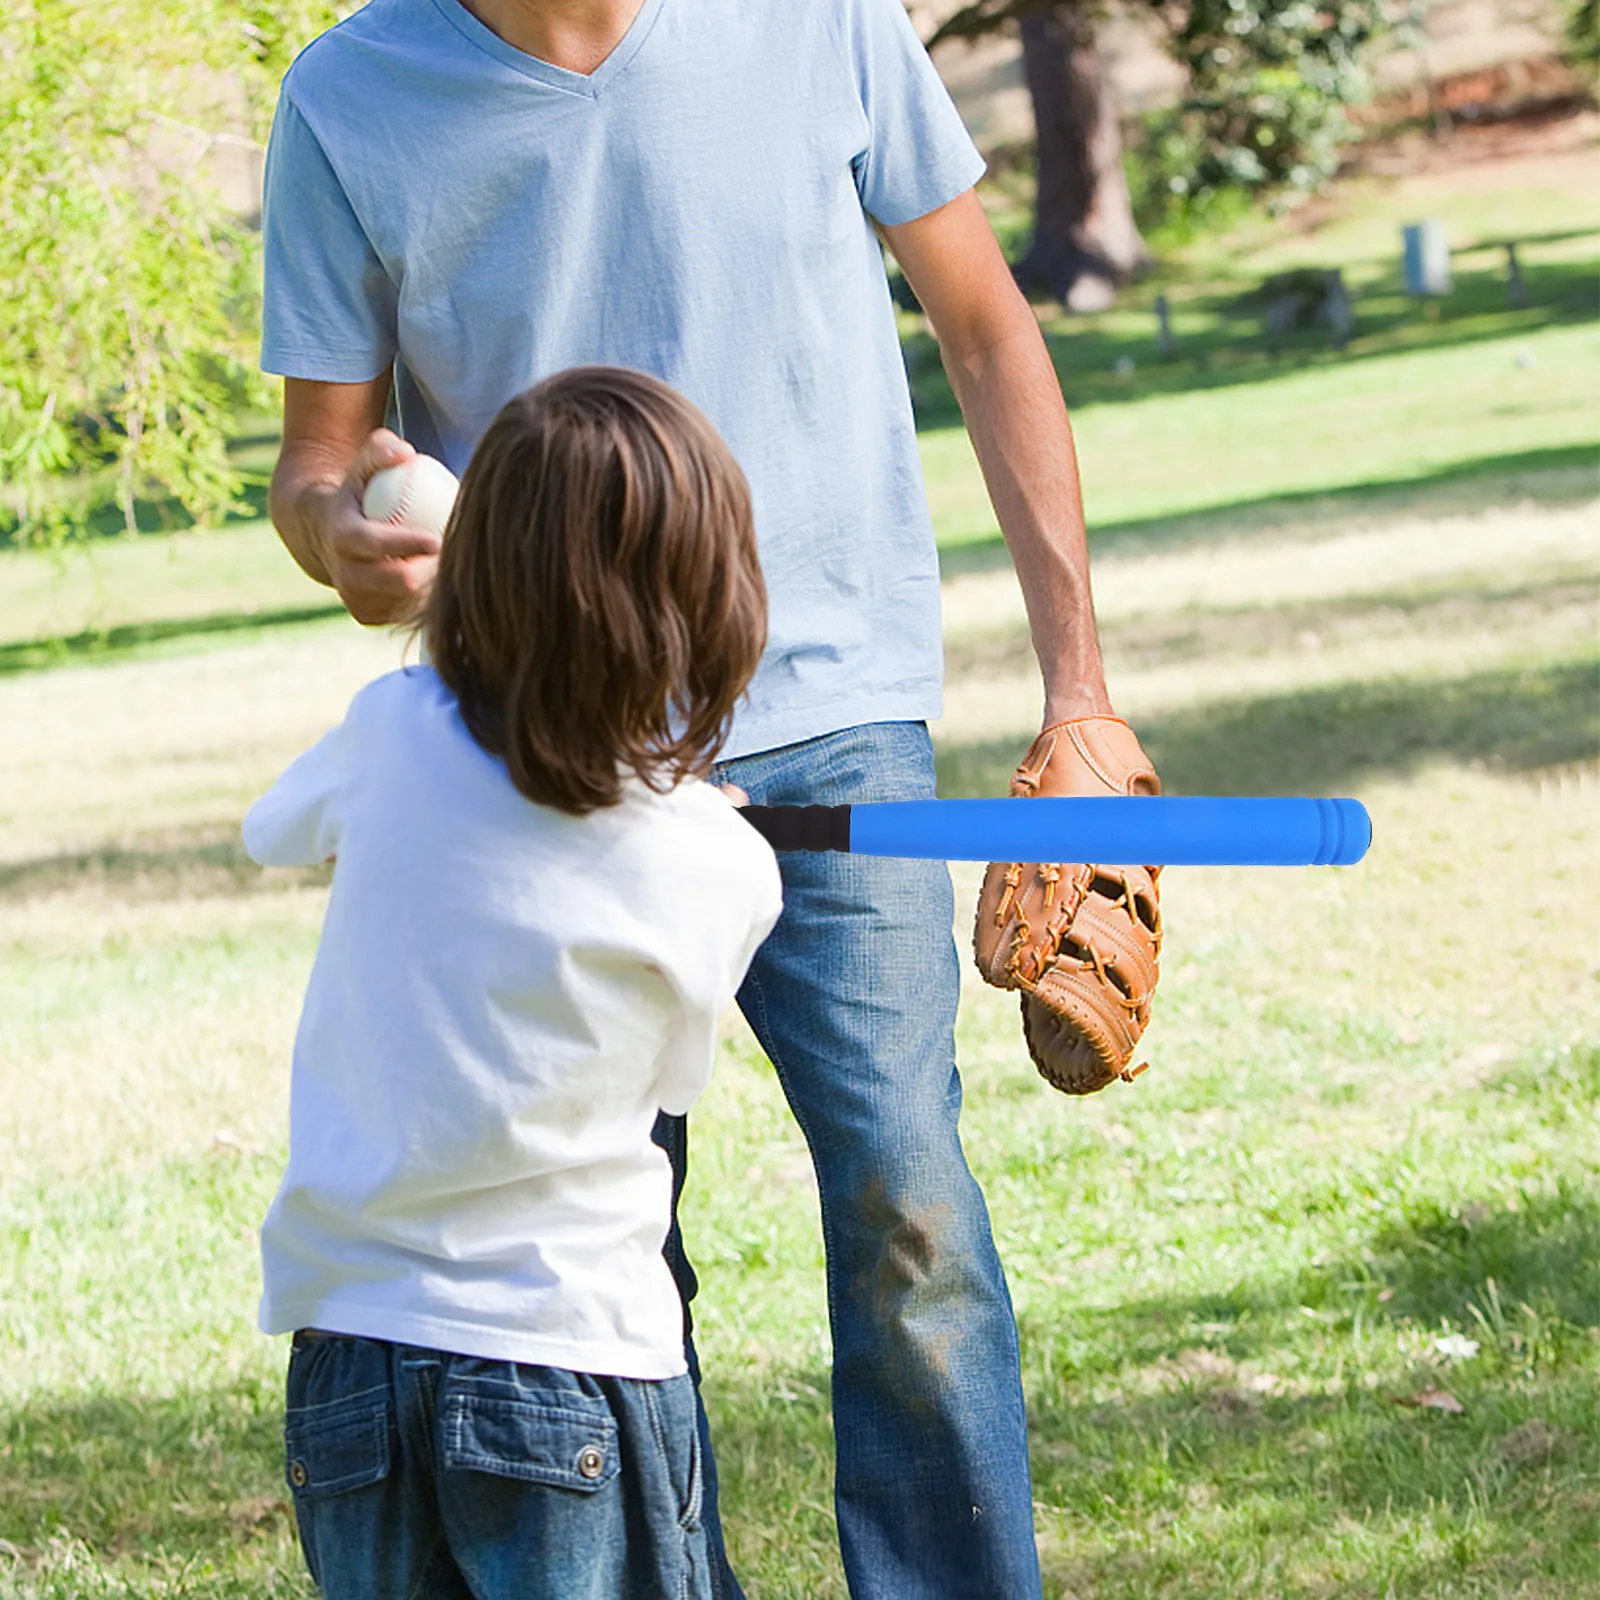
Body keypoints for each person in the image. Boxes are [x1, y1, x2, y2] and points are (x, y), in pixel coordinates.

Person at [262, 1, 1142, 1593]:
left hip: (831, 709)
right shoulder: (348, 94)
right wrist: (346, 533)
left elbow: (991, 328)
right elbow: (319, 457)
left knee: (909, 1207)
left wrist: (1077, 691)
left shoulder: (821, 20)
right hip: (552, 753)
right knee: (593, 1245)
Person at [243, 367, 782, 1599]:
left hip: (350, 1363)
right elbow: (672, 1077)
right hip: (562, 1358)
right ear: (707, 598)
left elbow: (276, 827)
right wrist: (699, 820)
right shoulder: (712, 859)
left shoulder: (389, 733)